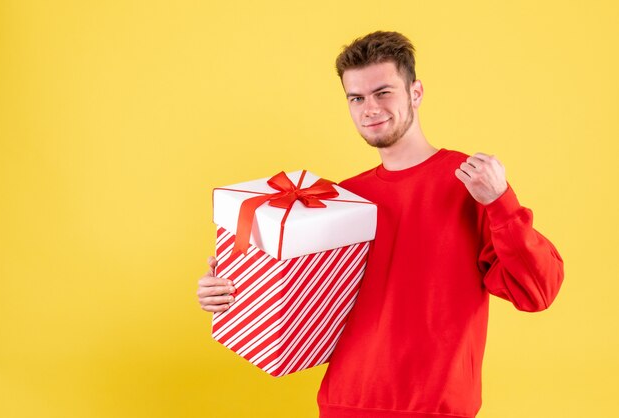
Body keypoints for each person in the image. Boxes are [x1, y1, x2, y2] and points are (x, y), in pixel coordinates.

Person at [197, 31, 564, 418]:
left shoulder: (472, 185)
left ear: (416, 92)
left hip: (435, 407)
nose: (369, 108)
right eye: (356, 98)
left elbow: (537, 292)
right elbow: (298, 297)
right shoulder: (339, 198)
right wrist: (232, 293)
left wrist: (500, 201)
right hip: (343, 403)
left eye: (383, 92)